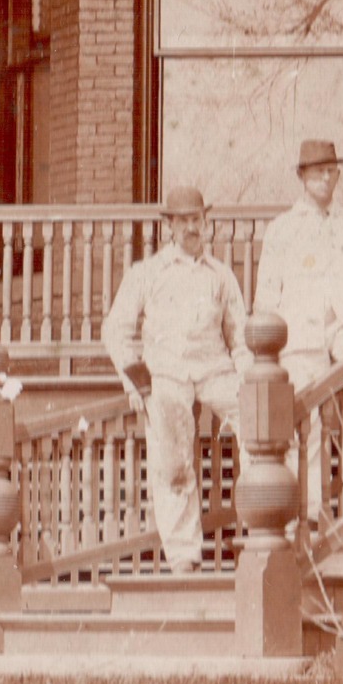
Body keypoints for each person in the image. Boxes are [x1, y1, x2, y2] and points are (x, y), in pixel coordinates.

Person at [100, 185, 248, 571]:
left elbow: (240, 337)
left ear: (206, 222)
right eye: (182, 221)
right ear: (170, 226)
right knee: (173, 460)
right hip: (166, 374)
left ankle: (255, 521)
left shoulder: (221, 276)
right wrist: (136, 380)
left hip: (215, 369)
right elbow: (117, 331)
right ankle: (184, 554)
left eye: (196, 220)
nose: (190, 229)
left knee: (259, 417)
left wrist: (251, 377)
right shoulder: (147, 273)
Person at [252, 137, 343, 521]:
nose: (325, 179)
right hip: (300, 334)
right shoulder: (283, 228)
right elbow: (265, 294)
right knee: (305, 416)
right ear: (302, 177)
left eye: (331, 171)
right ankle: (311, 509)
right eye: (317, 173)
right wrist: (270, 348)